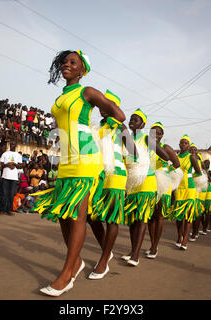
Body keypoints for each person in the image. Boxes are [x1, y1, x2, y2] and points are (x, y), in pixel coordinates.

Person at [33, 50, 125, 296]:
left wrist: (99, 130)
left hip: (85, 158)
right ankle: (76, 262)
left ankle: (67, 274)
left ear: (82, 70)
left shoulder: (88, 92)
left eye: (73, 62)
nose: (67, 65)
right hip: (66, 158)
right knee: (64, 213)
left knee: (78, 216)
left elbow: (119, 115)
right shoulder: (61, 96)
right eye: (65, 61)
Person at [87, 90, 136, 278]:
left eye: (108, 106)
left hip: (116, 175)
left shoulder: (121, 127)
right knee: (91, 216)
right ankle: (106, 251)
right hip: (98, 175)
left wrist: (124, 138)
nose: (103, 109)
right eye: (102, 106)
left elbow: (134, 153)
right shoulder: (96, 126)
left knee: (111, 218)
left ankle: (104, 260)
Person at [122, 109, 169, 263]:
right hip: (132, 184)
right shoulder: (126, 139)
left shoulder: (147, 139)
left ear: (142, 124)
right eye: (131, 119)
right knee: (132, 220)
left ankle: (136, 255)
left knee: (142, 218)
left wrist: (154, 145)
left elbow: (166, 156)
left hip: (146, 182)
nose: (131, 122)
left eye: (135, 120)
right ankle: (132, 250)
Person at [146, 122, 180, 258]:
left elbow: (177, 164)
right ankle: (152, 244)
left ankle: (155, 247)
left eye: (159, 133)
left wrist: (167, 171)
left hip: (163, 184)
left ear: (162, 136)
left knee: (159, 216)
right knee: (150, 217)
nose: (156, 135)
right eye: (153, 132)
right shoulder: (147, 146)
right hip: (150, 183)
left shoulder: (165, 148)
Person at [171, 134, 201, 250]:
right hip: (179, 188)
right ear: (179, 145)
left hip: (189, 188)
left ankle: (184, 240)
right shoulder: (176, 156)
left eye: (186, 143)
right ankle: (179, 236)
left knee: (188, 215)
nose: (183, 144)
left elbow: (198, 173)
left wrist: (188, 176)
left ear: (188, 145)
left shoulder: (191, 157)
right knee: (178, 216)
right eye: (182, 143)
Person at [0, 140, 22, 215]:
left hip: (14, 177)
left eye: (13, 144)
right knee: (4, 194)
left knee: (11, 194)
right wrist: (8, 164)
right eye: (11, 144)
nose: (12, 145)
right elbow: (1, 164)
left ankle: (9, 210)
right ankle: (2, 210)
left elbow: (20, 166)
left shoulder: (18, 155)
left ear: (16, 145)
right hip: (5, 176)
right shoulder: (5, 154)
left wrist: (14, 164)